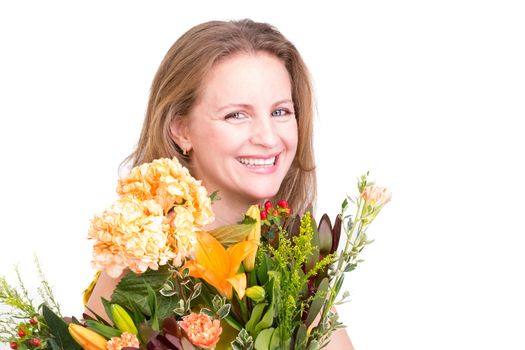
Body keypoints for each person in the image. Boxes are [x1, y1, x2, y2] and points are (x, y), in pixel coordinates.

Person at [85, 19, 353, 349]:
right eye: (236, 115)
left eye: (281, 111)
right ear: (181, 129)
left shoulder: (289, 264)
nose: (269, 138)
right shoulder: (140, 264)